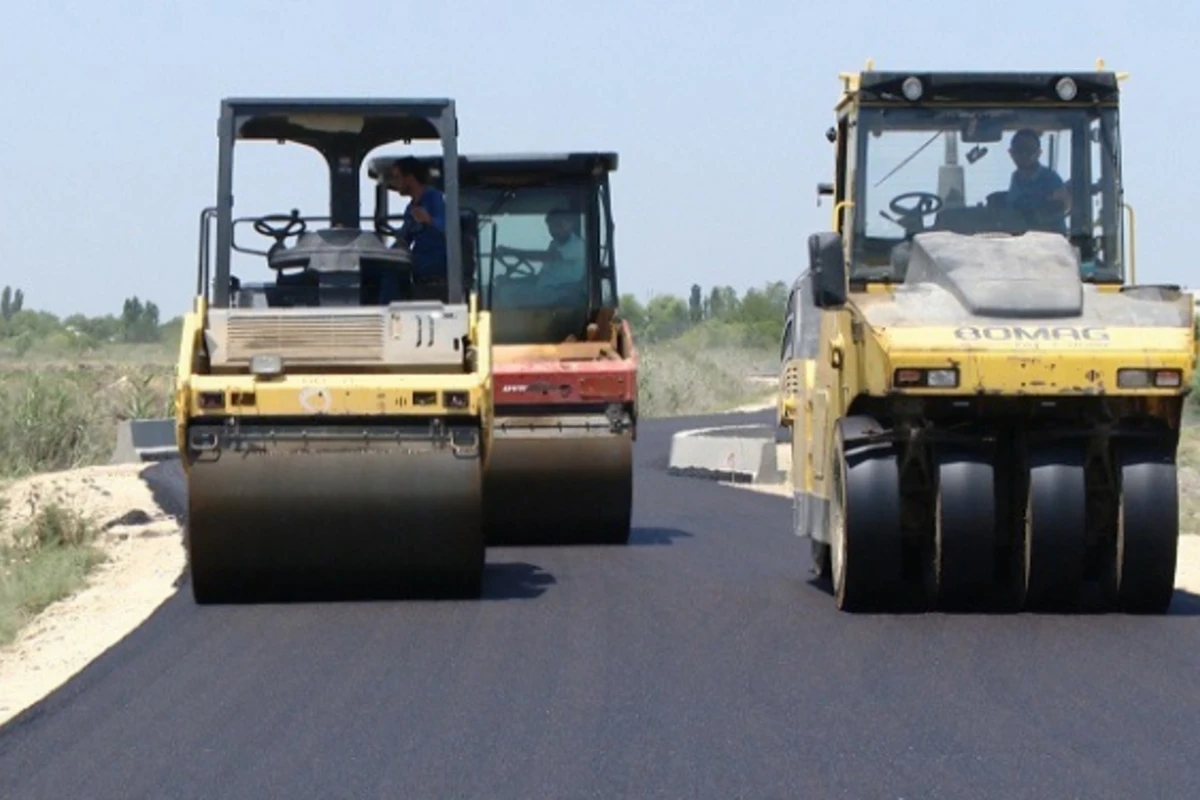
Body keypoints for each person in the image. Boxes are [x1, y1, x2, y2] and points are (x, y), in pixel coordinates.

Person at [387, 156, 448, 301]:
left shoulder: (435, 198)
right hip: (419, 276)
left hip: (439, 276)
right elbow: (404, 240)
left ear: (409, 177)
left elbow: (448, 228)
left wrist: (429, 220)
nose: (396, 184)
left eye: (397, 178)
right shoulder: (410, 209)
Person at [494, 209, 587, 295]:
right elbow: (541, 277)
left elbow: (546, 256)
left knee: (506, 294)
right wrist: (510, 281)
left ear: (571, 224)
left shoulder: (578, 246)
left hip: (562, 293)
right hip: (547, 291)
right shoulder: (554, 245)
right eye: (551, 227)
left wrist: (510, 252)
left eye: (559, 225)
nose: (554, 230)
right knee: (498, 288)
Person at [1006, 128, 1071, 234]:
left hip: (1051, 244)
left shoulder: (1051, 179)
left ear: (1039, 153)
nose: (1024, 154)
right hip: (1017, 243)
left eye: (1029, 150)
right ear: (1011, 153)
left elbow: (1065, 204)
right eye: (1019, 149)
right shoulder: (1015, 178)